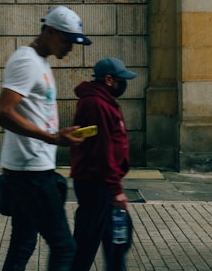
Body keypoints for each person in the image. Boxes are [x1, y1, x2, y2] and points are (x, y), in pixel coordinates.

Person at [0, 5, 91, 271]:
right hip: (32, 174)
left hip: (29, 171)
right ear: (49, 31)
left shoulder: (40, 62)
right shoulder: (26, 61)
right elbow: (1, 113)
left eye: (74, 42)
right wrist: (51, 138)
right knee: (64, 248)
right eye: (67, 40)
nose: (70, 48)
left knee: (23, 245)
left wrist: (56, 136)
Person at [70, 57, 137, 271]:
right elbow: (103, 148)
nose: (123, 84)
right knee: (86, 244)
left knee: (118, 238)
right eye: (121, 80)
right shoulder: (97, 104)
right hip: (97, 183)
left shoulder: (101, 101)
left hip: (101, 181)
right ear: (109, 79)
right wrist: (115, 189)